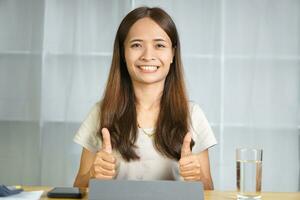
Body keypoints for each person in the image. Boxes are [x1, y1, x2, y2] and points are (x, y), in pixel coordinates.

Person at [73, 6, 217, 190]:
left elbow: (208, 188)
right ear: (123, 53)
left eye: (159, 45)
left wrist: (196, 177)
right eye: (136, 45)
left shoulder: (192, 114)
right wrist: (93, 175)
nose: (148, 56)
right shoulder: (101, 112)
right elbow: (78, 185)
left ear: (172, 53)